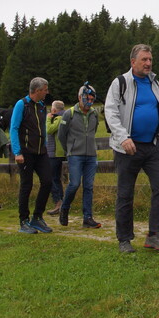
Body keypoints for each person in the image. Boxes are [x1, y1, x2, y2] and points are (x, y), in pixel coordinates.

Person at [105, 44, 159, 253]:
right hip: (127, 148)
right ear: (133, 62)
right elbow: (110, 112)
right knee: (125, 194)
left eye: (150, 59)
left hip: (152, 147)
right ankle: (124, 240)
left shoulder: (155, 84)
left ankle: (154, 235)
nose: (148, 63)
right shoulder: (121, 82)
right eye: (144, 59)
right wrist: (124, 138)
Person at [10, 78, 55, 234]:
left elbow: (43, 128)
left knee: (48, 181)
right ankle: (23, 221)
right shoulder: (22, 104)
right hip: (26, 152)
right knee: (26, 185)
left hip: (41, 152)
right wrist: (17, 152)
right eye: (45, 89)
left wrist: (45, 145)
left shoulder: (42, 106)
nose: (47, 92)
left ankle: (37, 217)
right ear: (37, 90)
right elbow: (14, 128)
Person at [57, 83, 102, 228]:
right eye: (86, 98)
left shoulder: (94, 114)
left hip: (91, 155)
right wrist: (70, 149)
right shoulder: (68, 114)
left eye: (91, 99)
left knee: (88, 186)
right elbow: (61, 135)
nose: (89, 102)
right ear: (79, 97)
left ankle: (87, 218)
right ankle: (64, 208)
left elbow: (93, 131)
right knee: (74, 183)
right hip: (75, 154)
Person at [46, 101, 68, 215]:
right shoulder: (65, 117)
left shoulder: (58, 118)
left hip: (55, 152)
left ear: (54, 110)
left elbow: (49, 130)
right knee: (56, 177)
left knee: (52, 178)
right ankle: (62, 201)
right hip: (59, 152)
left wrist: (48, 119)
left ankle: (58, 202)